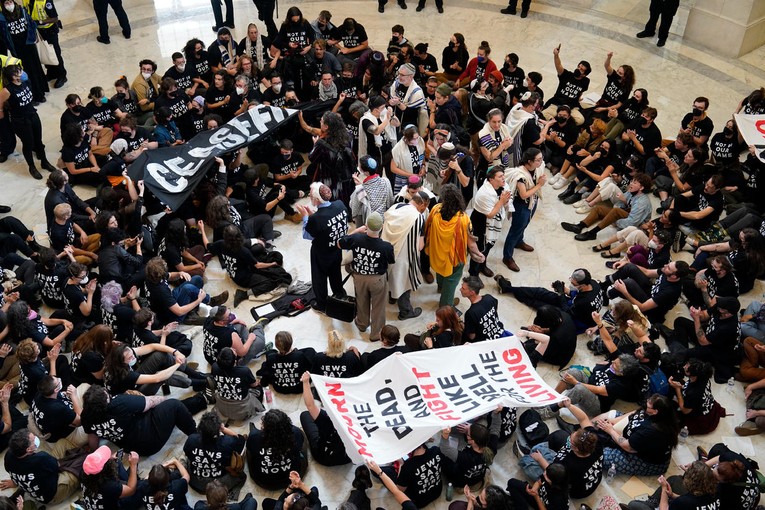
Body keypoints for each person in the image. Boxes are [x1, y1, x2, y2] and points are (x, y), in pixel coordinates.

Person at [80, 384, 198, 456]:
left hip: (132, 448)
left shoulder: (86, 417)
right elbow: (151, 402)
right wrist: (164, 400)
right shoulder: (119, 403)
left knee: (173, 409)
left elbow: (92, 438)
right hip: (151, 436)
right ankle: (196, 436)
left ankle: (199, 401)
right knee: (175, 405)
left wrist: (94, 452)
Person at [338, 212, 395, 342]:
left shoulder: (356, 239)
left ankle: (362, 324)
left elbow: (340, 243)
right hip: (377, 279)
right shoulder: (386, 246)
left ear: (366, 225)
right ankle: (376, 333)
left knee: (361, 301)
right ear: (381, 228)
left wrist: (356, 230)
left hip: (359, 277)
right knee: (378, 307)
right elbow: (391, 261)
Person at [424, 184, 484, 307]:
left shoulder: (435, 210)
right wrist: (478, 254)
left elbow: (427, 228)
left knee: (440, 271)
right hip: (453, 258)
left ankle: (441, 287)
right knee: (451, 281)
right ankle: (446, 304)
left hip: (436, 252)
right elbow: (471, 243)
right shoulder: (463, 219)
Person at [595, 393, 680, 475]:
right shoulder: (653, 412)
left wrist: (611, 430)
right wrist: (615, 421)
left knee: (598, 454)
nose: (646, 402)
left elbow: (627, 446)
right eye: (648, 400)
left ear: (655, 411)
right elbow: (634, 413)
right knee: (610, 415)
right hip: (633, 435)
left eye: (649, 404)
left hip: (643, 459)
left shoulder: (652, 431)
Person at [296, 183, 349, 314]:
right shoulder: (340, 205)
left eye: (310, 195)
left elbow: (307, 235)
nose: (309, 197)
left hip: (321, 253)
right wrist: (313, 216)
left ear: (317, 199)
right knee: (336, 273)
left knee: (319, 279)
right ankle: (339, 294)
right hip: (336, 248)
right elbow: (328, 221)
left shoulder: (316, 219)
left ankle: (322, 305)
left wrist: (305, 217)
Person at [0, 65, 56, 179]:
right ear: (13, 77)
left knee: (38, 141)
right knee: (28, 143)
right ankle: (32, 167)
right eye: (19, 72)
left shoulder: (25, 82)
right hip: (20, 120)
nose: (22, 72)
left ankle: (44, 162)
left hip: (32, 115)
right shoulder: (7, 90)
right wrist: (1, 111)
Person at [561, 173, 653, 242]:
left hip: (636, 226)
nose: (631, 184)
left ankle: (592, 233)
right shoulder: (631, 192)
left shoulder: (642, 202)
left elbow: (632, 222)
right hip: (626, 214)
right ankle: (579, 226)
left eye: (635, 183)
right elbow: (620, 204)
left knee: (615, 211)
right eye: (632, 181)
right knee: (599, 208)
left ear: (641, 188)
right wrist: (621, 205)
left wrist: (614, 220)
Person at [1, 429, 80, 505]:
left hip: (39, 489)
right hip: (53, 495)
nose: (36, 438)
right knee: (79, 465)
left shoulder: (9, 456)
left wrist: (16, 481)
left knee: (62, 443)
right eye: (33, 440)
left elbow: (12, 471)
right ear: (28, 450)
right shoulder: (41, 458)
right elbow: (56, 466)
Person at [382, 191, 428, 320]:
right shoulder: (418, 218)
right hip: (404, 256)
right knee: (404, 282)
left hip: (387, 251)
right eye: (425, 206)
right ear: (422, 204)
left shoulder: (395, 207)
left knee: (392, 277)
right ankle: (405, 311)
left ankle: (391, 297)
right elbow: (419, 246)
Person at [503, 147, 546, 272]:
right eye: (538, 160)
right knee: (516, 229)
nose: (541, 162)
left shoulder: (536, 168)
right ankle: (507, 257)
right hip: (522, 204)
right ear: (529, 161)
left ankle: (519, 241)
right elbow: (523, 195)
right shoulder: (520, 175)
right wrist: (539, 185)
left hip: (532, 201)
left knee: (525, 224)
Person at [183, 411, 246, 495]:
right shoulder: (226, 442)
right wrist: (224, 429)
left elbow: (187, 453)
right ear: (218, 429)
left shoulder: (191, 439)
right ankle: (231, 494)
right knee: (241, 475)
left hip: (195, 482)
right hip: (217, 483)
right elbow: (239, 438)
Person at [246, 409, 306, 490]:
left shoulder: (254, 436)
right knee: (302, 441)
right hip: (292, 477)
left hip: (262, 480)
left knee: (249, 449)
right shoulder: (295, 433)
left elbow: (250, 449)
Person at [299, 372, 351, 466]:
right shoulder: (356, 421)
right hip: (348, 458)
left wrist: (305, 382)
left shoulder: (327, 419)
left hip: (323, 456)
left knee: (305, 415)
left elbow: (310, 405)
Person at [30, 375, 88, 457]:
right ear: (56, 389)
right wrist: (74, 396)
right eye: (57, 380)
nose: (59, 379)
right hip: (67, 435)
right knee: (94, 425)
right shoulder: (56, 409)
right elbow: (80, 421)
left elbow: (60, 397)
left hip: (55, 424)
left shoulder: (40, 393)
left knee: (85, 386)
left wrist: (66, 394)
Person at [439, 414, 501, 488]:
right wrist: (496, 413)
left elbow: (445, 448)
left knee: (439, 452)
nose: (467, 434)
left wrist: (445, 435)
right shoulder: (492, 447)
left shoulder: (466, 457)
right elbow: (496, 427)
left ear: (472, 441)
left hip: (461, 482)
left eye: (468, 434)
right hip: (478, 477)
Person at [668, 359, 725, 435]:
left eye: (687, 369)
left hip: (701, 418)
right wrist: (680, 386)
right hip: (705, 404)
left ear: (694, 376)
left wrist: (678, 389)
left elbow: (685, 410)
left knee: (670, 418)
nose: (684, 367)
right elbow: (688, 386)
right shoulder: (704, 378)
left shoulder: (694, 393)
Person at [542, 45, 591, 125]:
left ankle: (563, 121)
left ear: (584, 75)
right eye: (578, 67)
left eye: (581, 70)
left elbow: (581, 91)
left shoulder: (586, 81)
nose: (578, 69)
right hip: (557, 104)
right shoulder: (566, 75)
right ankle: (557, 122)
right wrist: (556, 55)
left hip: (571, 107)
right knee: (544, 113)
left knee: (580, 120)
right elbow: (558, 65)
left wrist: (578, 98)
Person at [211, 347, 263, 421]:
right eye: (232, 351)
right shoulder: (244, 371)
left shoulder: (214, 367)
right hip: (241, 407)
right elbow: (253, 385)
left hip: (223, 405)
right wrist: (257, 382)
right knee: (259, 388)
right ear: (234, 361)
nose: (234, 349)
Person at [80, 445, 139, 510]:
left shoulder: (84, 471)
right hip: (114, 505)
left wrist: (110, 459)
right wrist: (133, 465)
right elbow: (131, 490)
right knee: (142, 486)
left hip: (93, 502)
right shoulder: (109, 486)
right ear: (107, 469)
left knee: (117, 462)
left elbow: (97, 469)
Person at [517, 305, 576, 369]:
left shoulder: (557, 337)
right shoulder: (561, 315)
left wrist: (536, 335)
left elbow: (545, 345)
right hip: (560, 339)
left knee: (528, 346)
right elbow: (553, 328)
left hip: (559, 354)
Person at [27, 0, 67, 89]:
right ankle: (51, 73)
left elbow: (54, 18)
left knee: (55, 53)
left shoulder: (46, 1)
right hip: (38, 31)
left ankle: (62, 75)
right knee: (44, 52)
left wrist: (40, 22)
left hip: (49, 31)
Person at [460, 276, 507, 342]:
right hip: (499, 332)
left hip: (485, 342)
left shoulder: (471, 313)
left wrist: (461, 324)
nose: (460, 289)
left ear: (472, 292)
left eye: (463, 288)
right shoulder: (489, 298)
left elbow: (472, 337)